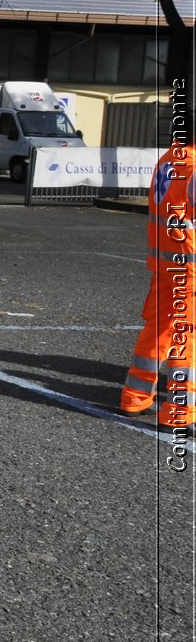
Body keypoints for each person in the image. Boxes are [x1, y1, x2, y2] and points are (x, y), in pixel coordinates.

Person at [120, 138, 194, 429]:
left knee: (159, 329)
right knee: (185, 335)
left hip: (166, 262)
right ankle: (180, 412)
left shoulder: (169, 159)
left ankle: (135, 397)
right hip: (189, 264)